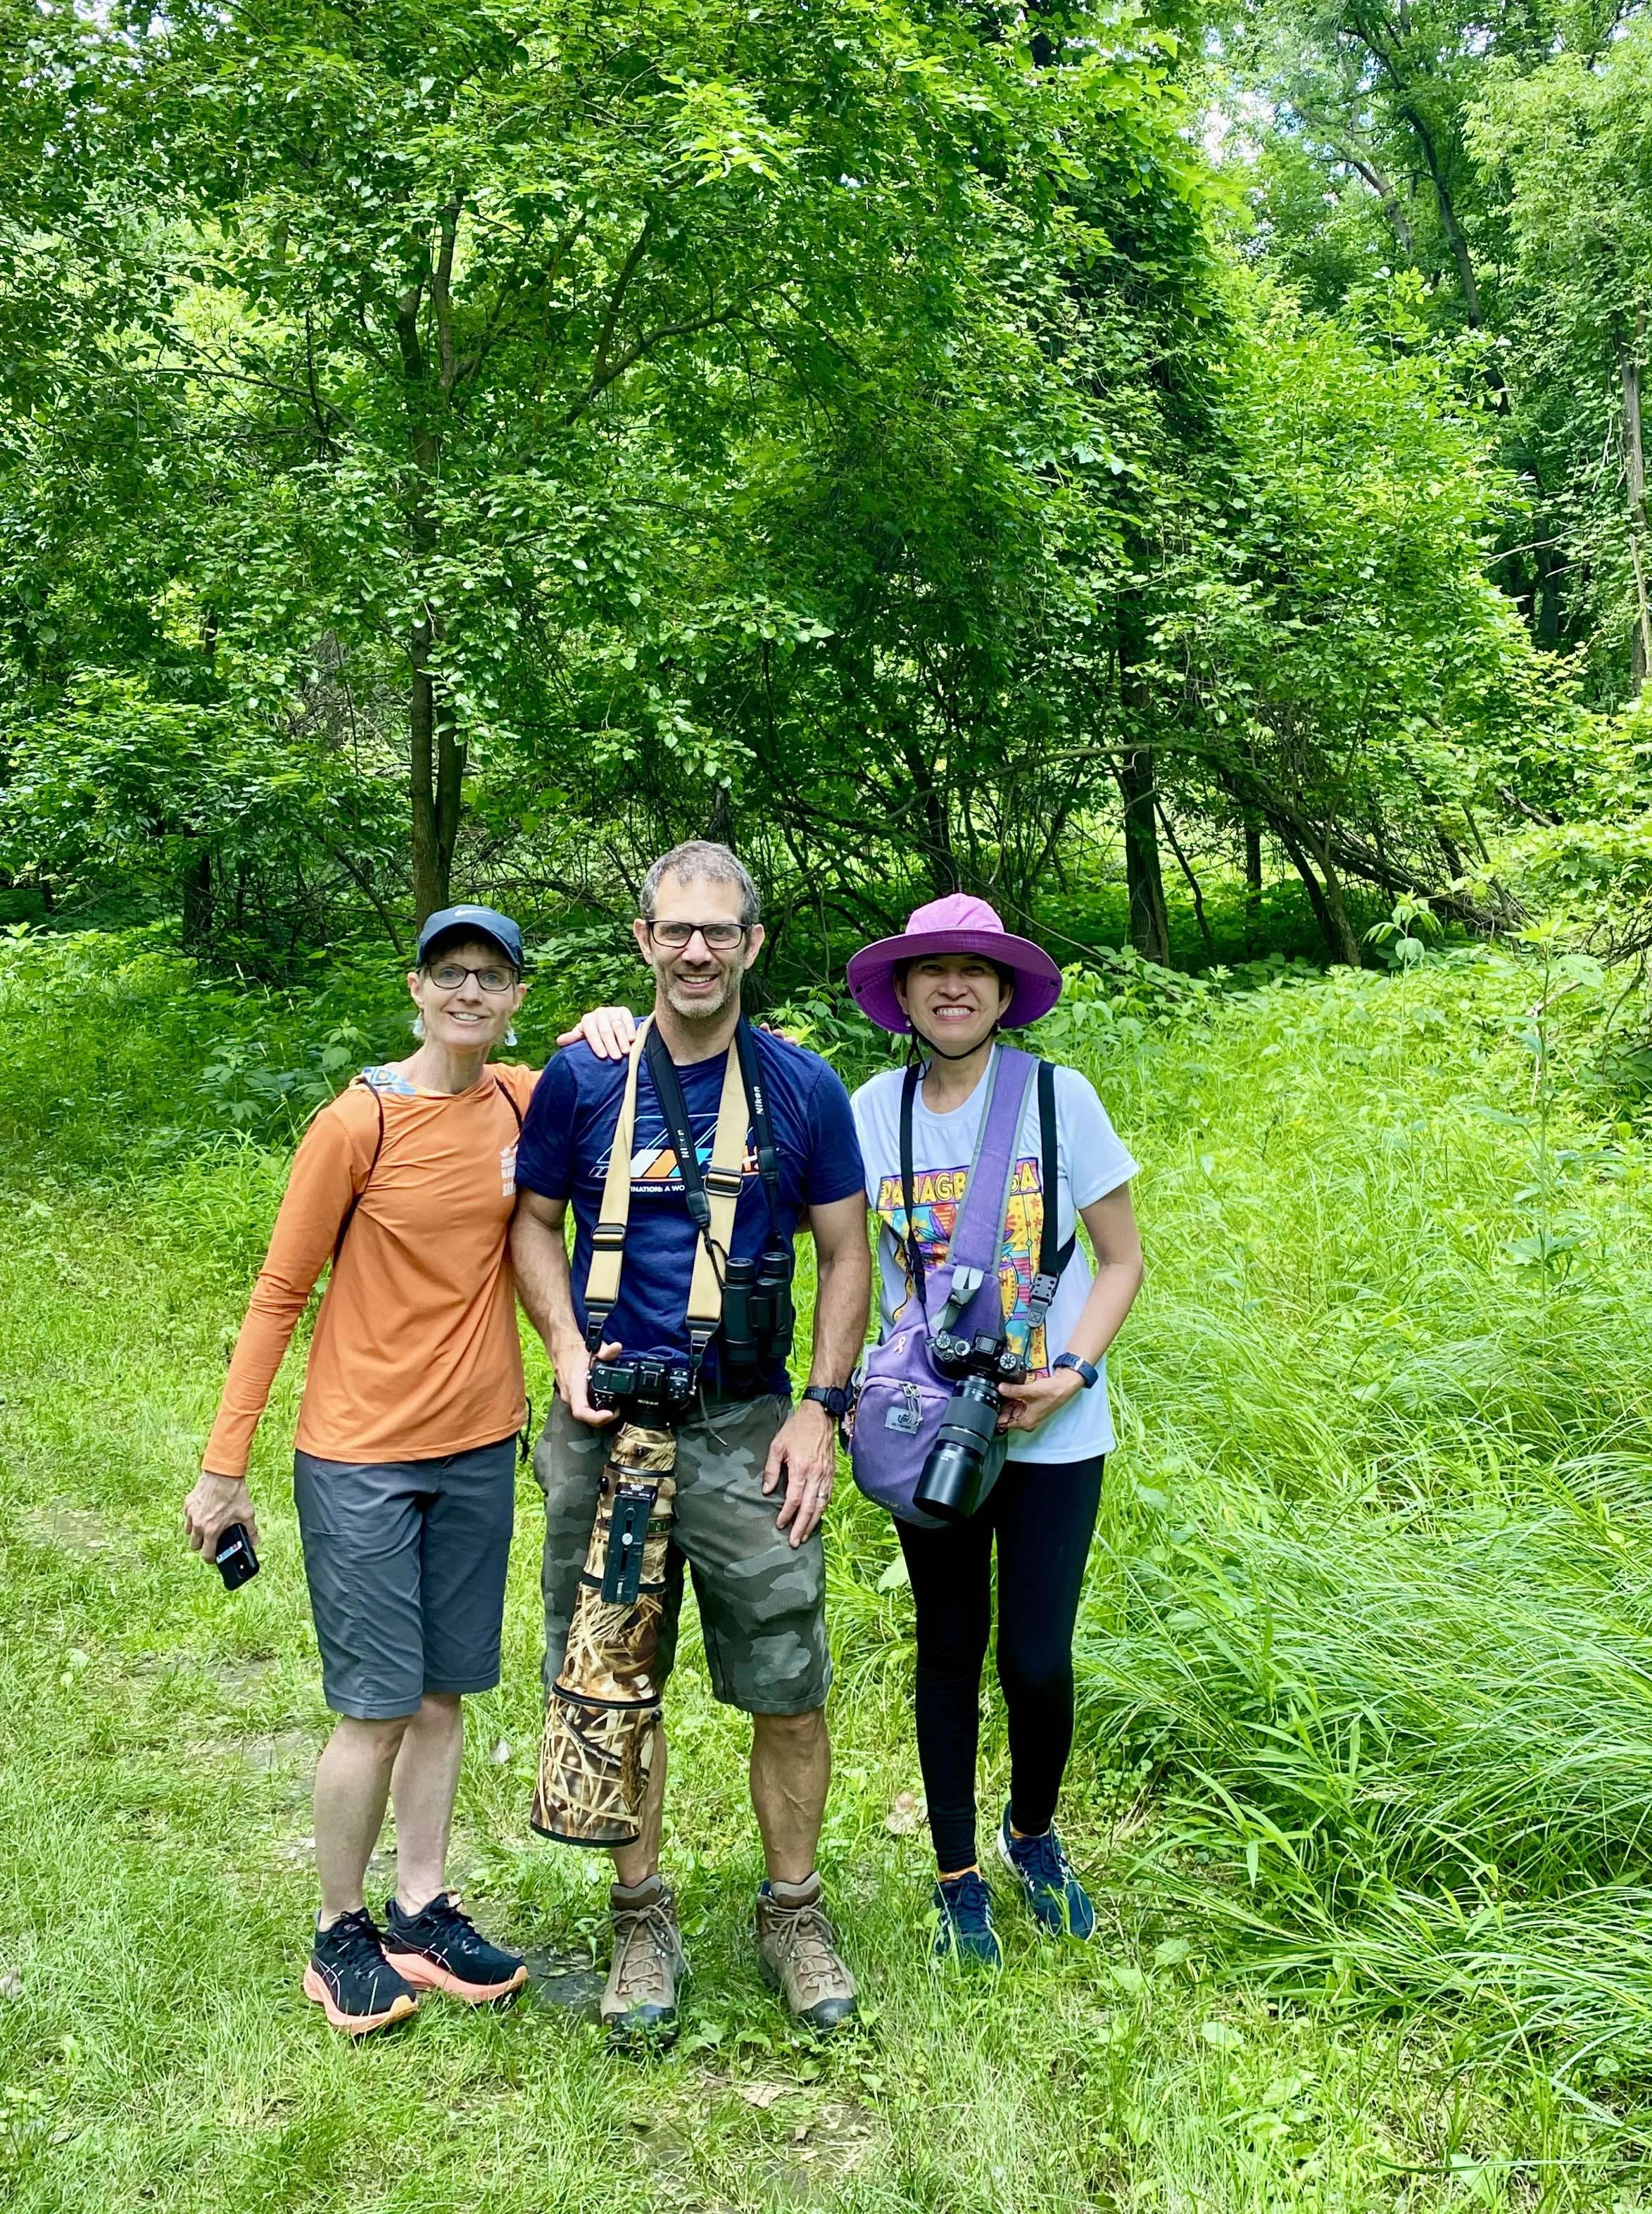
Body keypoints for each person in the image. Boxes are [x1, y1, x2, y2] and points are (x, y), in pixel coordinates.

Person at [509, 841, 871, 2046]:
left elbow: (844, 1255)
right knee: (613, 1673)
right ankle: (639, 1918)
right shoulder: (583, 1078)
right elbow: (534, 1224)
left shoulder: (802, 1089)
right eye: (676, 930)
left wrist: (820, 1406)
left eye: (720, 931)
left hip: (748, 1423)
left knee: (788, 1680)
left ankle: (793, 1913)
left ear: (752, 945)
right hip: (605, 1421)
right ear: (643, 940)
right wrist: (563, 1350)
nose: (697, 951)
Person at [184, 905, 538, 2037]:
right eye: (450, 974)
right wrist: (223, 1467)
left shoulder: (523, 1102)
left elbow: (612, 1063)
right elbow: (280, 1292)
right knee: (377, 1707)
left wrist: (616, 1022)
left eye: (490, 975)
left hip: (480, 1442)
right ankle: (341, 1933)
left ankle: (421, 1906)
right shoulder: (357, 1123)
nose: (469, 992)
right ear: (416, 989)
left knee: (442, 1696)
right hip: (360, 1455)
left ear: (515, 996)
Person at [845, 894, 1142, 1965]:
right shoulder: (872, 1110)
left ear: (1007, 992)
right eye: (932, 970)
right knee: (948, 1647)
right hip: (930, 1425)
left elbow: (1119, 1260)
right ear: (904, 995)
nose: (953, 986)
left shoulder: (1061, 1101)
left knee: (1035, 1661)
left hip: (1054, 1428)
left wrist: (1073, 1371)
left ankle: (1032, 1832)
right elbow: (839, 1253)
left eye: (975, 969)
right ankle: (955, 1874)